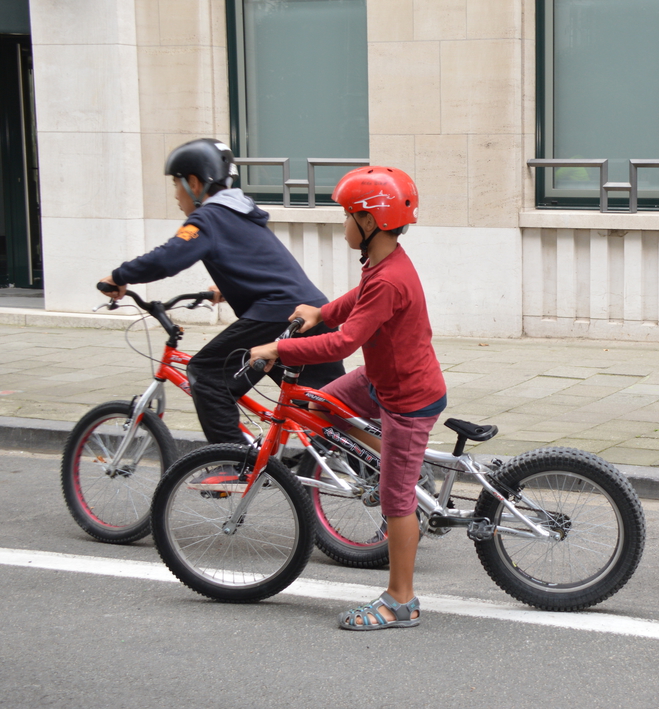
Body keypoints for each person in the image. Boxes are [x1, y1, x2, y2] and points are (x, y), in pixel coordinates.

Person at [249, 166, 446, 631]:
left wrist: (280, 348)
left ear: (371, 222)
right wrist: (320, 312)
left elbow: (343, 343)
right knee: (315, 407)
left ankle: (401, 601)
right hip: (378, 380)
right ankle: (399, 461)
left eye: (347, 216)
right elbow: (358, 299)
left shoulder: (390, 278)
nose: (342, 225)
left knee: (397, 502)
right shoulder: (383, 265)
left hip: (407, 399)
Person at [98, 138, 344, 444]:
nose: (176, 195)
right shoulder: (240, 213)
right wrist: (229, 287)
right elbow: (257, 263)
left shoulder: (209, 217)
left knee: (208, 376)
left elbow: (170, 255)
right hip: (312, 313)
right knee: (323, 408)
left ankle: (232, 461)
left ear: (193, 182)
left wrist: (120, 276)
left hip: (278, 315)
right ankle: (371, 471)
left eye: (176, 184)